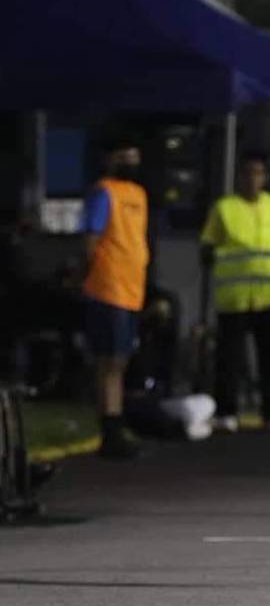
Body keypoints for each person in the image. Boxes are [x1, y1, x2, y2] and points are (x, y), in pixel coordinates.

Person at [200, 153, 270, 433]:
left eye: (258, 173)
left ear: (265, 178)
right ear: (238, 177)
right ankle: (226, 412)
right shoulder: (224, 208)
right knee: (228, 358)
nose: (253, 179)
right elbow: (208, 242)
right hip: (235, 297)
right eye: (247, 173)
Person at [81, 137, 149, 460]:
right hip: (108, 287)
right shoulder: (103, 191)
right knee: (109, 361)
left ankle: (115, 423)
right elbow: (91, 240)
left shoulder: (138, 194)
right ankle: (109, 428)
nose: (131, 161)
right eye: (125, 155)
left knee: (119, 361)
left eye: (134, 155)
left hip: (131, 289)